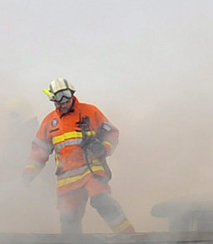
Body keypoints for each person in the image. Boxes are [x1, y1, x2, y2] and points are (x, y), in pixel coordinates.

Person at [22, 78, 135, 234]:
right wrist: (29, 173)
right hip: (67, 179)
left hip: (92, 172)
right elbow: (38, 151)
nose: (63, 102)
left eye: (66, 96)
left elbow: (112, 133)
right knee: (69, 220)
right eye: (58, 99)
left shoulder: (90, 111)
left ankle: (129, 238)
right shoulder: (50, 122)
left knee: (103, 203)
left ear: (72, 93)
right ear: (53, 100)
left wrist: (104, 148)